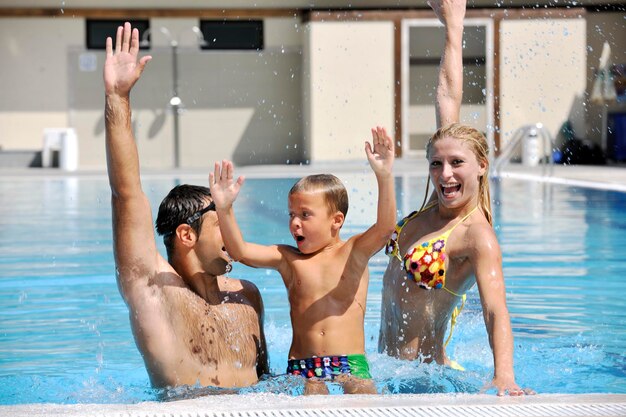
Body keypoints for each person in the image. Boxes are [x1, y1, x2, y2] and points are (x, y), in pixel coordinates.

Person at [378, 0, 533, 396]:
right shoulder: (437, 202)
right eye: (436, 163)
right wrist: (453, 27)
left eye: (456, 163)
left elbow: (496, 308)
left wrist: (504, 374)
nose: (445, 174)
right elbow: (448, 92)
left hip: (421, 382)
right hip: (385, 370)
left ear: (482, 165)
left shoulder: (475, 234)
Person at [103, 22, 268, 389]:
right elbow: (126, 193)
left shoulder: (247, 297)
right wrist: (118, 98)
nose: (233, 230)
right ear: (186, 234)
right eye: (220, 220)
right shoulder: (156, 291)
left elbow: (269, 382)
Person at [209, 127, 396, 395]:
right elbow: (239, 251)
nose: (294, 222)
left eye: (305, 215)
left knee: (362, 397)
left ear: (336, 221)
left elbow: (386, 228)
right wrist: (224, 208)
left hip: (350, 366)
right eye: (291, 214)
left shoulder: (354, 252)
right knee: (311, 396)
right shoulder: (288, 259)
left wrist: (385, 176)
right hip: (303, 367)